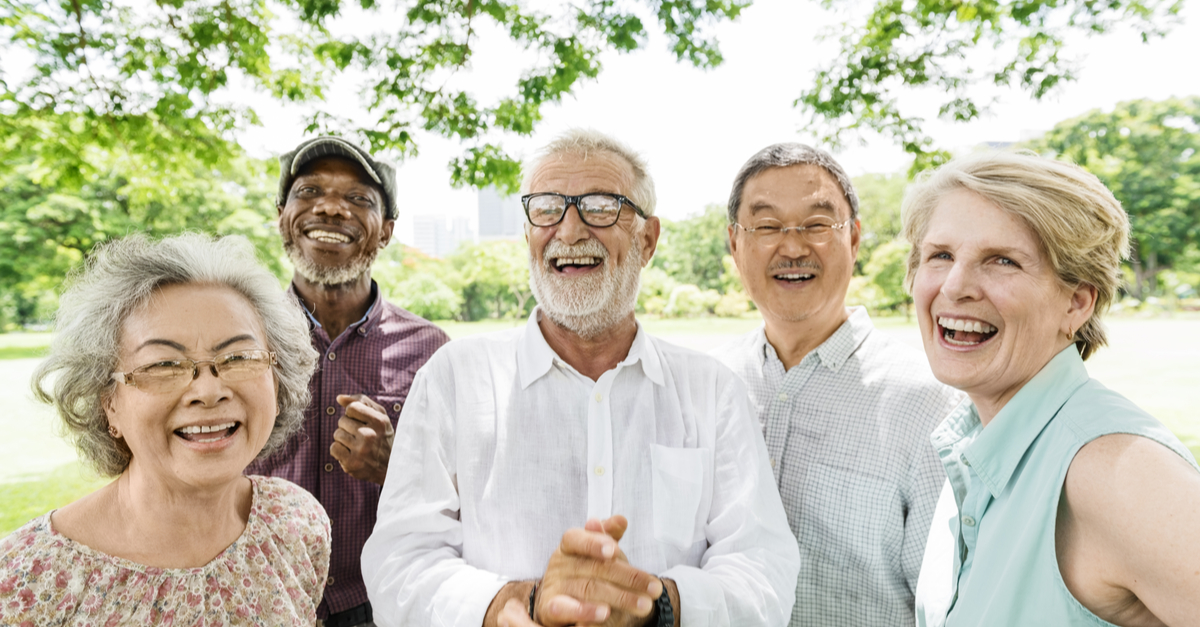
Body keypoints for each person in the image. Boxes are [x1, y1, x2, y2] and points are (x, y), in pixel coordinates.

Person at [361, 129, 800, 627]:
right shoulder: (456, 379)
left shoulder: (711, 391)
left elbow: (763, 568)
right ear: (528, 233)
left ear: (648, 239)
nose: (569, 232)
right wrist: (523, 602)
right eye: (547, 208)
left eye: (600, 206)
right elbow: (399, 563)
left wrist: (651, 605)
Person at [905, 152, 1200, 626]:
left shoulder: (1112, 469)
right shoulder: (975, 444)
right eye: (940, 255)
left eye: (1003, 261)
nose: (956, 286)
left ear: (1077, 302)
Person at [0, 233, 329, 624]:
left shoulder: (296, 524)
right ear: (109, 402)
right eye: (163, 365)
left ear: (277, 380)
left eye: (239, 356)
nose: (208, 391)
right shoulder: (27, 582)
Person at [713, 143, 962, 627]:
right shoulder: (708, 385)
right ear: (734, 244)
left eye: (816, 224)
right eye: (767, 226)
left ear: (854, 239)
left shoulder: (927, 401)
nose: (792, 246)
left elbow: (948, 606)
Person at [247, 136, 450, 627]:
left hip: (384, 600)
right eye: (309, 191)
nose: (331, 209)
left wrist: (395, 464)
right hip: (260, 593)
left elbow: (464, 497)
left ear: (386, 231)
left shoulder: (432, 350)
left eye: (359, 199)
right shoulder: (237, 338)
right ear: (281, 216)